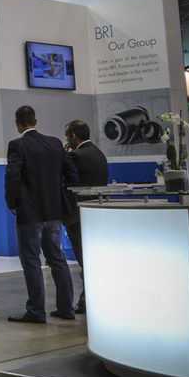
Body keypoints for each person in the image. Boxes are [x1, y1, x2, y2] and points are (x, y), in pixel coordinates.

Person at [5, 106, 78, 324]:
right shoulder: (55, 143)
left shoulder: (17, 145)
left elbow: (13, 177)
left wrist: (12, 202)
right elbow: (71, 172)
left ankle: (36, 311)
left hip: (29, 213)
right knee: (57, 258)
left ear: (17, 123)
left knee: (31, 261)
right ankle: (67, 308)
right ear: (36, 121)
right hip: (54, 211)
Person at [62, 120, 108, 315]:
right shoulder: (98, 153)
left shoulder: (75, 156)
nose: (68, 141)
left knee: (84, 258)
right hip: (95, 212)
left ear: (73, 136)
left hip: (77, 214)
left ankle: (87, 300)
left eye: (68, 137)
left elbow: (63, 177)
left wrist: (63, 157)